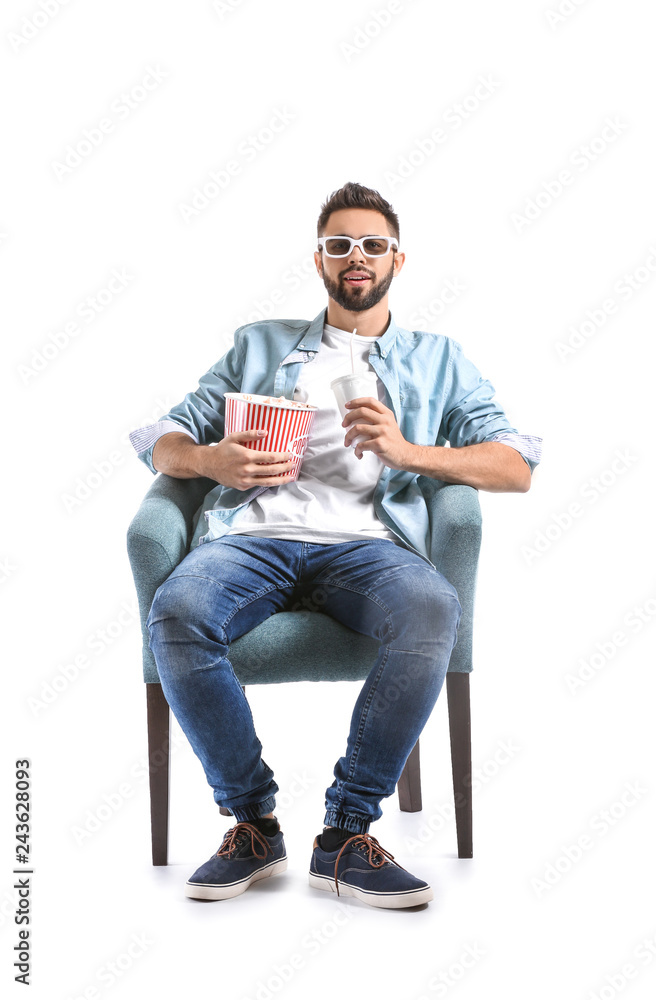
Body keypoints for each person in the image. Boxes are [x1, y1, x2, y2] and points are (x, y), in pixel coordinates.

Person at [130, 181, 542, 909]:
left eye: (373, 245)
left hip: (368, 547)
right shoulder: (258, 344)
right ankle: (253, 823)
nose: (358, 258)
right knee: (177, 609)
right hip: (255, 538)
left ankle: (346, 835)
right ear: (319, 261)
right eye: (340, 245)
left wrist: (410, 451)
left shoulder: (440, 359)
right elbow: (162, 435)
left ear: (398, 260)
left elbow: (515, 462)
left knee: (432, 606)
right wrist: (210, 460)